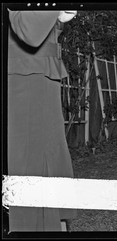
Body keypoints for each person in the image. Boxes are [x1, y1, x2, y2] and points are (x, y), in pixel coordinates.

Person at [8, 10, 77, 231]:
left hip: (40, 74)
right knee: (26, 171)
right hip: (23, 78)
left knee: (51, 164)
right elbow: (29, 31)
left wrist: (57, 18)